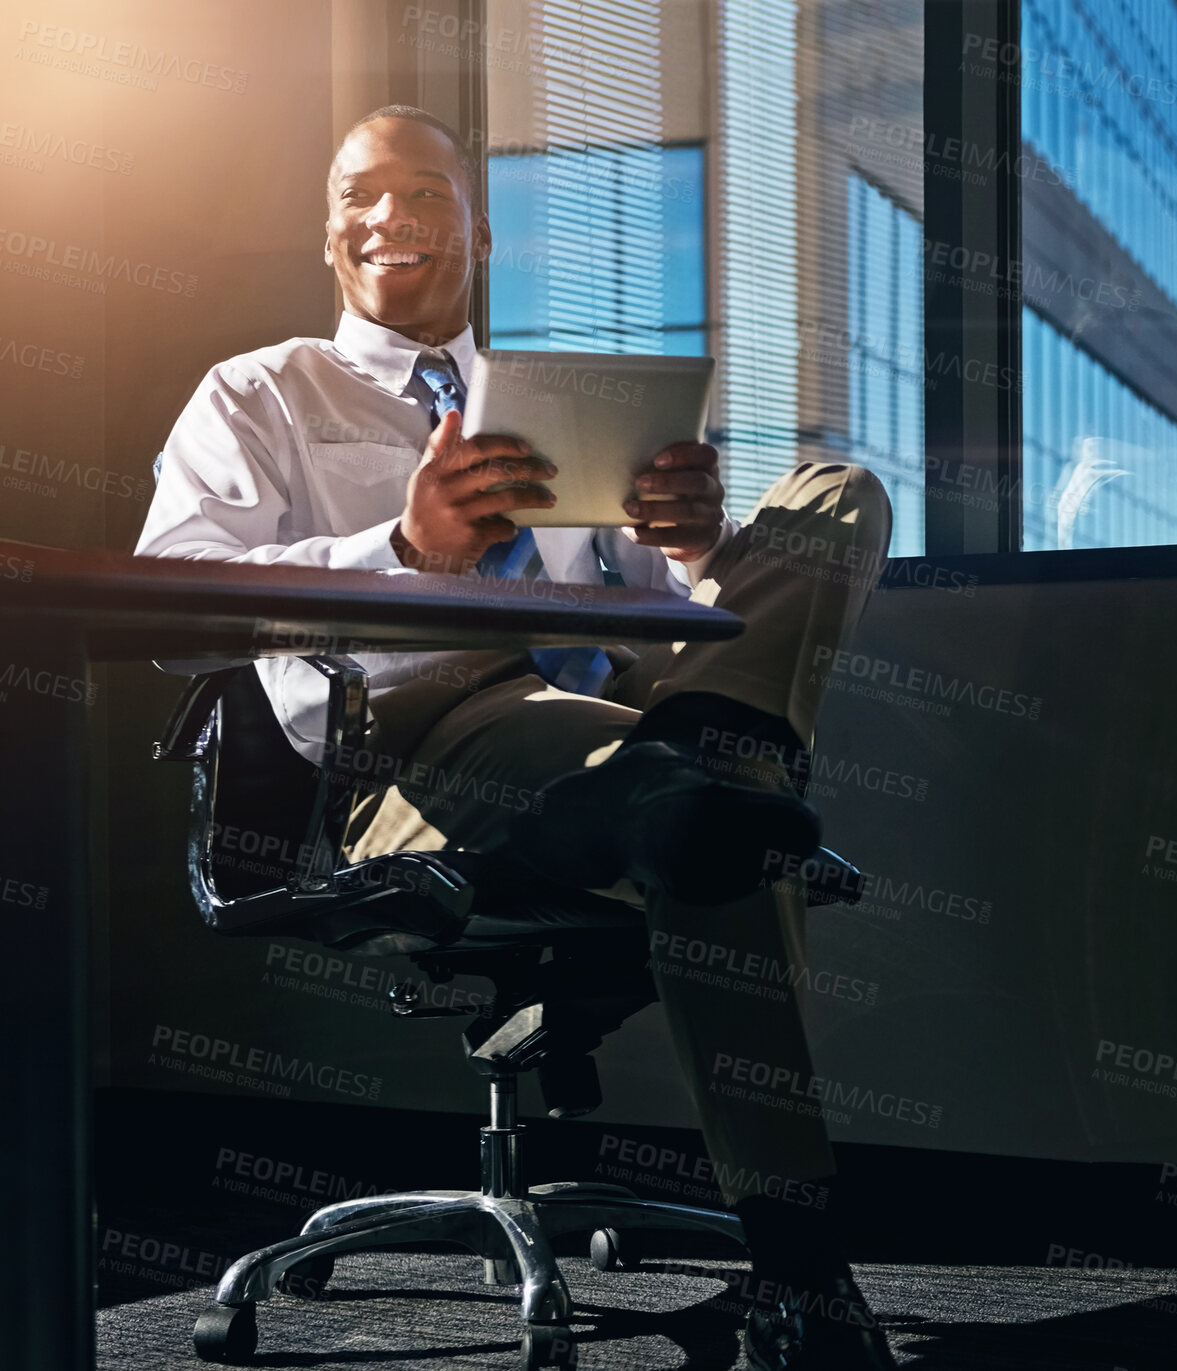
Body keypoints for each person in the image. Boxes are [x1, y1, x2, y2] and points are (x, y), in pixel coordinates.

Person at [137, 105, 895, 1369]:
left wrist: (688, 544)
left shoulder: (559, 399)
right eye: (362, 195)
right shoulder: (261, 392)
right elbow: (180, 610)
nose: (392, 217)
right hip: (418, 746)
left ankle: (703, 768)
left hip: (621, 723)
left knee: (835, 496)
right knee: (707, 831)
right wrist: (403, 550)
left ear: (479, 232)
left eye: (426, 193)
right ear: (329, 233)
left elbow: (653, 635)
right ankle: (801, 1273)